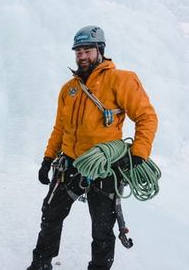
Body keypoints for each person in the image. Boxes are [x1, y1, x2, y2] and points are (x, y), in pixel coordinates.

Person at [27, 25, 158, 270]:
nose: (82, 56)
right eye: (78, 52)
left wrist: (139, 153)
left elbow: (146, 117)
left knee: (101, 228)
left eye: (87, 50)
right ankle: (41, 264)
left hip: (104, 168)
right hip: (69, 164)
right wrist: (47, 159)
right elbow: (60, 128)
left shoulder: (121, 80)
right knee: (50, 215)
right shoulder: (70, 89)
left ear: (100, 50)